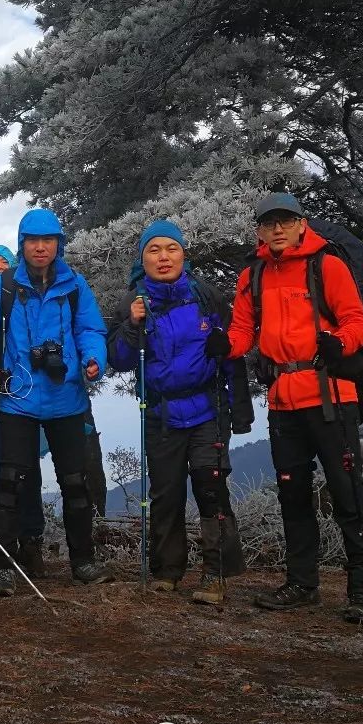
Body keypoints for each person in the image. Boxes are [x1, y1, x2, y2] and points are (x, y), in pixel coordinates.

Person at [224, 193, 363, 624]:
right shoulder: (252, 275)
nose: (277, 229)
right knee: (292, 494)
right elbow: (242, 330)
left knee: (347, 494)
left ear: (301, 224)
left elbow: (357, 320)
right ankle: (302, 583)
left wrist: (341, 342)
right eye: (269, 222)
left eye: (285, 221)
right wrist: (225, 346)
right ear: (259, 230)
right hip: (282, 400)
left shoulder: (326, 266)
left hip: (331, 396)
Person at [0, 210, 113, 594]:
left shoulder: (74, 285)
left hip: (66, 397)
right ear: (21, 244)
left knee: (75, 484)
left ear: (58, 243)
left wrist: (94, 359)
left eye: (48, 240)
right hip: (19, 399)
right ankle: (2, 568)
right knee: (10, 483)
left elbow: (91, 329)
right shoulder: (2, 286)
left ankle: (84, 562)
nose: (40, 247)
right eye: (32, 240)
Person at [106, 220, 252, 604]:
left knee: (211, 488)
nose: (163, 257)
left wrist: (240, 411)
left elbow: (232, 353)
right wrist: (132, 324)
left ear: (184, 254)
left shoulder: (207, 297)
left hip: (207, 409)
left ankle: (214, 574)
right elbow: (119, 360)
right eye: (154, 250)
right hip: (161, 413)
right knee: (166, 493)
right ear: (143, 259)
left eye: (171, 248)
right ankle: (167, 571)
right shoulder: (133, 301)